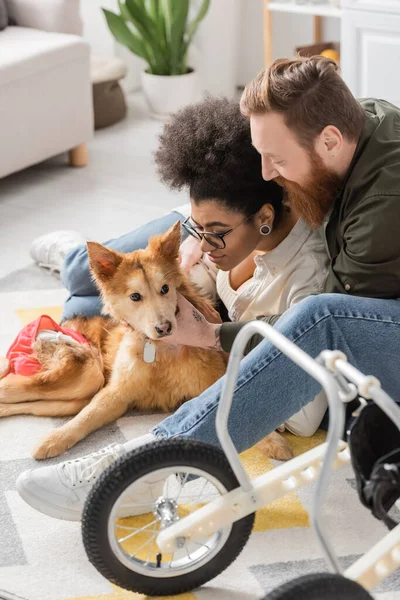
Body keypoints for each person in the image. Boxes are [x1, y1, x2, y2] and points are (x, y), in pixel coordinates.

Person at [17, 56, 400, 523]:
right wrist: (203, 242)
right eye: (260, 153)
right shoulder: (355, 122)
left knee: (321, 317)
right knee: (86, 290)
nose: (265, 172)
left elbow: (316, 339)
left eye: (276, 160)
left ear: (330, 141)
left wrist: (214, 335)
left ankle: (148, 469)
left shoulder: (382, 205)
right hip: (253, 226)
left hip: (306, 263)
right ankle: (72, 258)